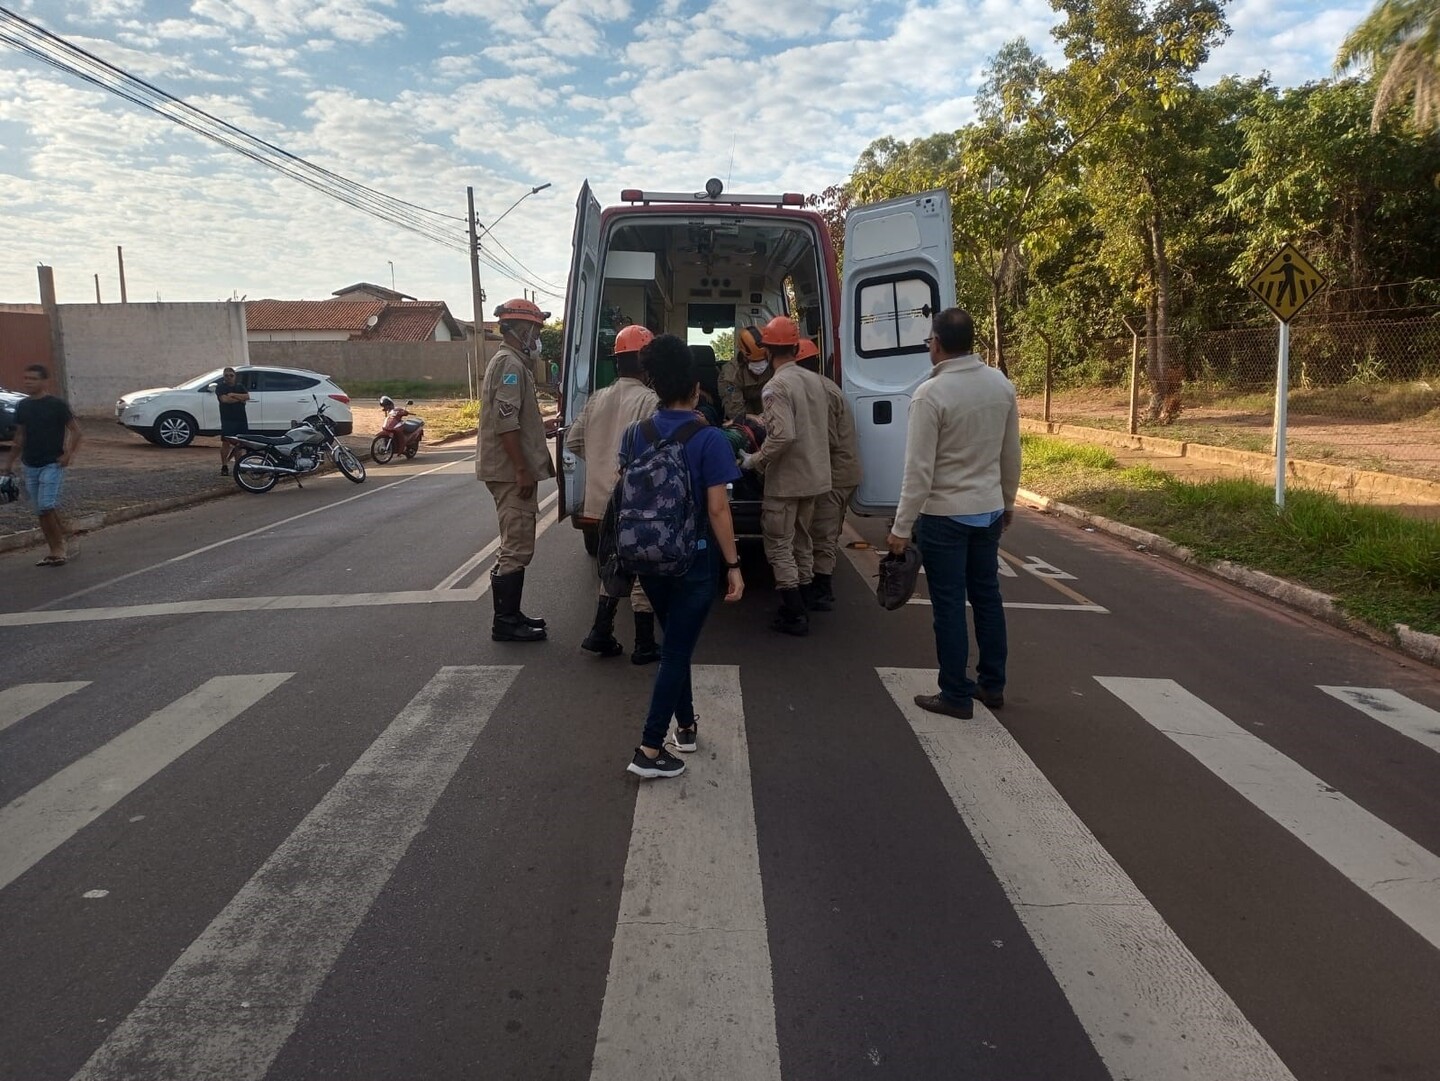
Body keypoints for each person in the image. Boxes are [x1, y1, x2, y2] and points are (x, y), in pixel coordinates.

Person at [886, 308, 1021, 719]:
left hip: (944, 517)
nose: (929, 346)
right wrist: (1008, 501)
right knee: (987, 598)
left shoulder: (931, 395)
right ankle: (992, 685)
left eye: (929, 340)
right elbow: (1010, 452)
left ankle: (955, 695)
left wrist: (901, 527)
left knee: (948, 605)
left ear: (938, 344)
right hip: (988, 511)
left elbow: (919, 471)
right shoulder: (1001, 384)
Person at [625, 334, 744, 779]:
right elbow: (717, 509)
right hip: (693, 560)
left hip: (648, 558)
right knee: (675, 651)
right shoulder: (710, 439)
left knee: (675, 642)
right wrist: (733, 565)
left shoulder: (636, 433)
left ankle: (687, 728)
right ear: (696, 388)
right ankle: (649, 750)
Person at [565, 324, 662, 664]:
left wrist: (602, 459)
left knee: (614, 562)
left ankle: (601, 632)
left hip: (600, 502)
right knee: (642, 568)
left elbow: (573, 441)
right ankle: (645, 643)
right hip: (633, 499)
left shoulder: (598, 398)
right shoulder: (651, 401)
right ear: (647, 364)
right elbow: (655, 451)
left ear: (617, 362)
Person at [739, 316, 831, 635]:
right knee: (803, 541)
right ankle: (803, 602)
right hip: (815, 477)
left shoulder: (775, 386)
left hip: (786, 481)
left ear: (766, 350)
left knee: (778, 545)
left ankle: (794, 614)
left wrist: (753, 460)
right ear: (794, 346)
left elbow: (783, 435)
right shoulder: (815, 382)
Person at [477, 297, 556, 642]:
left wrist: (545, 426)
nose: (537, 337)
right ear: (522, 330)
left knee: (516, 541)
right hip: (510, 472)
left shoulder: (514, 363)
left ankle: (512, 614)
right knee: (517, 544)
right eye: (536, 330)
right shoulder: (509, 364)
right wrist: (522, 469)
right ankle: (505, 622)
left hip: (509, 468)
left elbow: (517, 418)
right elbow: (505, 420)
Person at [796, 339, 861, 611]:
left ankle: (821, 591)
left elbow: (826, 440)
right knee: (825, 532)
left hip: (833, 475)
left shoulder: (818, 391)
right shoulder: (823, 387)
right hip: (838, 472)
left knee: (822, 533)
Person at [2, 363, 83, 567]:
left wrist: (68, 454)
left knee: (46, 506)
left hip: (52, 463)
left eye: (33, 379)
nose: (28, 382)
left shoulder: (57, 404)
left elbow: (76, 431)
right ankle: (62, 538)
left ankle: (59, 550)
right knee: (41, 511)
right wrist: (9, 462)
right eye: (26, 378)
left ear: (44, 381)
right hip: (30, 464)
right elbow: (20, 435)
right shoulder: (23, 406)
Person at [717, 325, 771, 424]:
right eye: (755, 361)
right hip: (741, 411)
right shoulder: (731, 375)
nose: (760, 366)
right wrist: (750, 417)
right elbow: (734, 411)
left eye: (763, 360)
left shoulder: (772, 365)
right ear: (744, 357)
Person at [214, 367, 250, 475]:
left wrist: (233, 395)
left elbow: (247, 396)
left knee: (239, 444)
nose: (229, 377)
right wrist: (240, 399)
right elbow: (225, 400)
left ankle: (238, 465)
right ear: (223, 377)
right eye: (226, 375)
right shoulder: (221, 388)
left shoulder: (240, 386)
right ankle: (224, 466)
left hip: (241, 419)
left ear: (235, 376)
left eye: (231, 375)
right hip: (227, 419)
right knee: (226, 443)